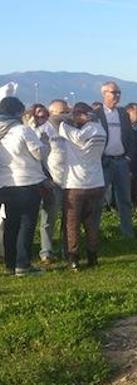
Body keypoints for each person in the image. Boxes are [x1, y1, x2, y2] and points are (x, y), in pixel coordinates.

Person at [55, 102, 107, 270]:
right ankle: (93, 257)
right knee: (92, 223)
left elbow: (58, 120)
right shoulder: (101, 130)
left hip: (75, 184)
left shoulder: (70, 130)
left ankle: (74, 258)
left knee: (72, 224)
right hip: (97, 182)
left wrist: (71, 116)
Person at [0, 96, 48, 276]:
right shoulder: (23, 130)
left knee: (10, 225)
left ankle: (10, 264)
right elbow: (39, 154)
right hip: (27, 182)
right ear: (17, 112)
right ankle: (23, 264)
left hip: (5, 184)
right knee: (26, 224)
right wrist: (43, 141)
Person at [95, 81, 136, 238]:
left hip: (121, 161)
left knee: (125, 199)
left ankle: (127, 232)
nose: (117, 96)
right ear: (104, 94)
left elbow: (130, 138)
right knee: (99, 200)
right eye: (114, 92)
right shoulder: (97, 114)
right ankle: (95, 233)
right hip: (104, 162)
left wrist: (128, 157)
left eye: (119, 92)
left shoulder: (123, 114)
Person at [32, 103, 65, 264]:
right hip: (51, 181)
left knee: (69, 217)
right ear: (51, 113)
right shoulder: (41, 132)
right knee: (48, 218)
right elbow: (37, 158)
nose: (65, 115)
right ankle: (46, 251)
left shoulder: (69, 129)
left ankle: (68, 248)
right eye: (61, 112)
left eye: (67, 111)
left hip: (71, 180)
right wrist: (46, 179)